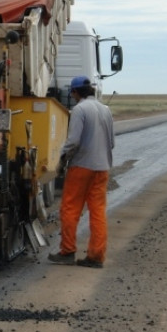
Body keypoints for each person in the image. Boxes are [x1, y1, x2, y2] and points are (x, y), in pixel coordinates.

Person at [48, 75, 115, 268]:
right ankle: (96, 257)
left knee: (70, 209)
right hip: (102, 168)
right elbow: (112, 142)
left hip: (81, 167)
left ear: (75, 92)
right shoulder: (106, 110)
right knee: (98, 213)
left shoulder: (79, 109)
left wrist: (62, 158)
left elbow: (73, 141)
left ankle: (67, 251)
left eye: (73, 92)